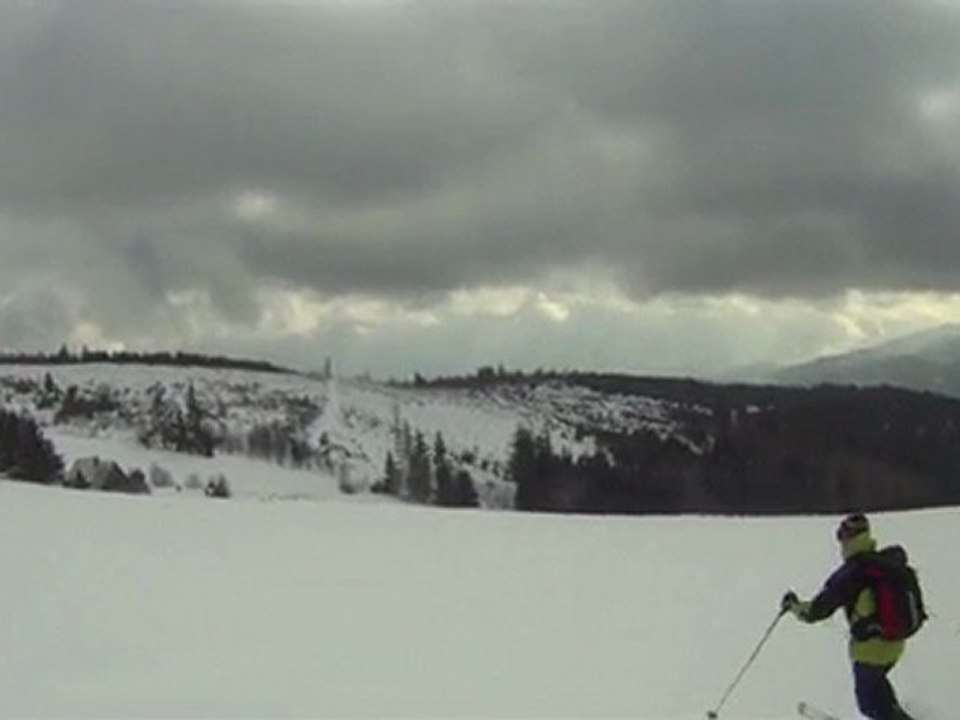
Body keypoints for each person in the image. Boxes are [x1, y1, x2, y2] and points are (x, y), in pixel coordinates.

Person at [781, 513, 916, 720]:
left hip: (870, 650)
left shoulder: (852, 573)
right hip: (895, 642)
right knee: (879, 695)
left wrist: (794, 607)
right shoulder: (882, 563)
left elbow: (818, 610)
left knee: (871, 706)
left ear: (847, 539)